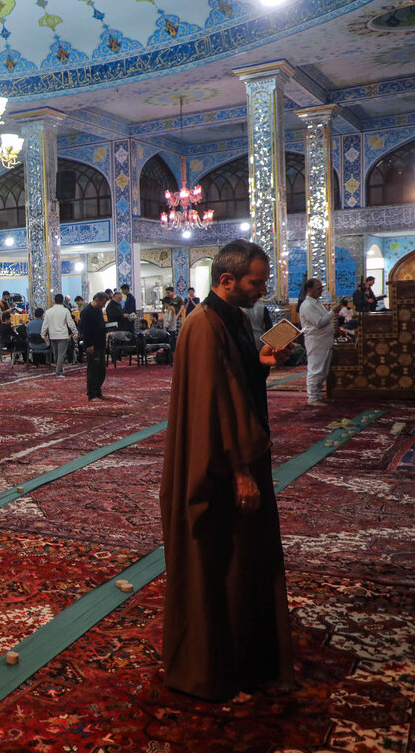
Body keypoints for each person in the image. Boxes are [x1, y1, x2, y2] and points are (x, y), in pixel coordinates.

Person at [159, 239, 294, 703]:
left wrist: (262, 363)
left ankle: (244, 659)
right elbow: (213, 407)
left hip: (238, 455)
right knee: (218, 562)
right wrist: (239, 471)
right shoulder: (201, 326)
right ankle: (209, 666)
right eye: (256, 283)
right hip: (218, 465)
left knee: (244, 561)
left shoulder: (232, 317)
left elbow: (236, 383)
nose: (262, 290)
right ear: (227, 280)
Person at [299, 277, 336, 407]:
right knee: (316, 369)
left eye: (321, 288)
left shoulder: (316, 303)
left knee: (323, 370)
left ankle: (317, 395)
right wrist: (333, 311)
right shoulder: (307, 305)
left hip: (324, 341)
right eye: (318, 288)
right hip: (316, 342)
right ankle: (312, 397)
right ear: (309, 289)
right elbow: (319, 323)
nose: (321, 290)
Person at [79, 292, 110, 401]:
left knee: (101, 371)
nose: (103, 306)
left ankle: (98, 391)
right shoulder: (86, 312)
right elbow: (85, 330)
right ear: (97, 300)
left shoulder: (99, 310)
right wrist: (89, 345)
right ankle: (92, 394)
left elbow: (100, 326)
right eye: (103, 303)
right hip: (93, 345)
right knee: (93, 370)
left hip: (100, 343)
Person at [42, 293, 78, 377]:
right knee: (61, 354)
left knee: (56, 353)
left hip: (53, 335)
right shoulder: (65, 311)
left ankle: (59, 368)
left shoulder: (48, 311)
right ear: (62, 301)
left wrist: (43, 334)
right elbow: (70, 323)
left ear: (54, 301)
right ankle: (58, 371)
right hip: (62, 335)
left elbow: (45, 324)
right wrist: (75, 332)